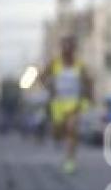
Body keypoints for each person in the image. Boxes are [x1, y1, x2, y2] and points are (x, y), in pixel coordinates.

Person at [40, 36, 93, 174]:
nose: (67, 50)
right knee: (58, 131)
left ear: (74, 50)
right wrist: (50, 88)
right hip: (58, 103)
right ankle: (58, 137)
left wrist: (88, 95)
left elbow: (88, 81)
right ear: (61, 49)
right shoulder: (54, 63)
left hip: (74, 102)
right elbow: (42, 77)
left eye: (70, 47)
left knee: (72, 129)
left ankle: (70, 160)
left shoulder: (79, 65)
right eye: (64, 47)